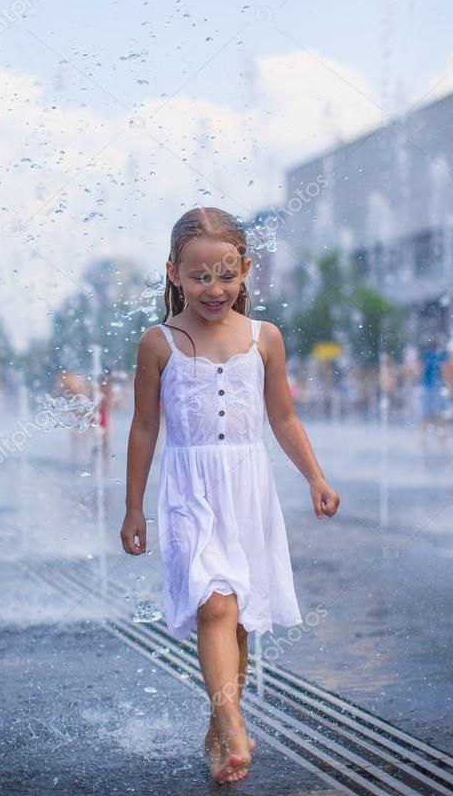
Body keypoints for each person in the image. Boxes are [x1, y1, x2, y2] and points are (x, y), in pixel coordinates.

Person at [120, 207, 340, 785]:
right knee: (213, 605)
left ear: (245, 270)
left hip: (248, 490)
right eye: (198, 277)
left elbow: (284, 419)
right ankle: (236, 721)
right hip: (190, 490)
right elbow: (144, 429)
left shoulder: (265, 338)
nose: (213, 289)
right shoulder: (158, 343)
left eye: (225, 274)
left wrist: (315, 477)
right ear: (173, 274)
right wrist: (132, 507)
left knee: (236, 620)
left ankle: (219, 726)